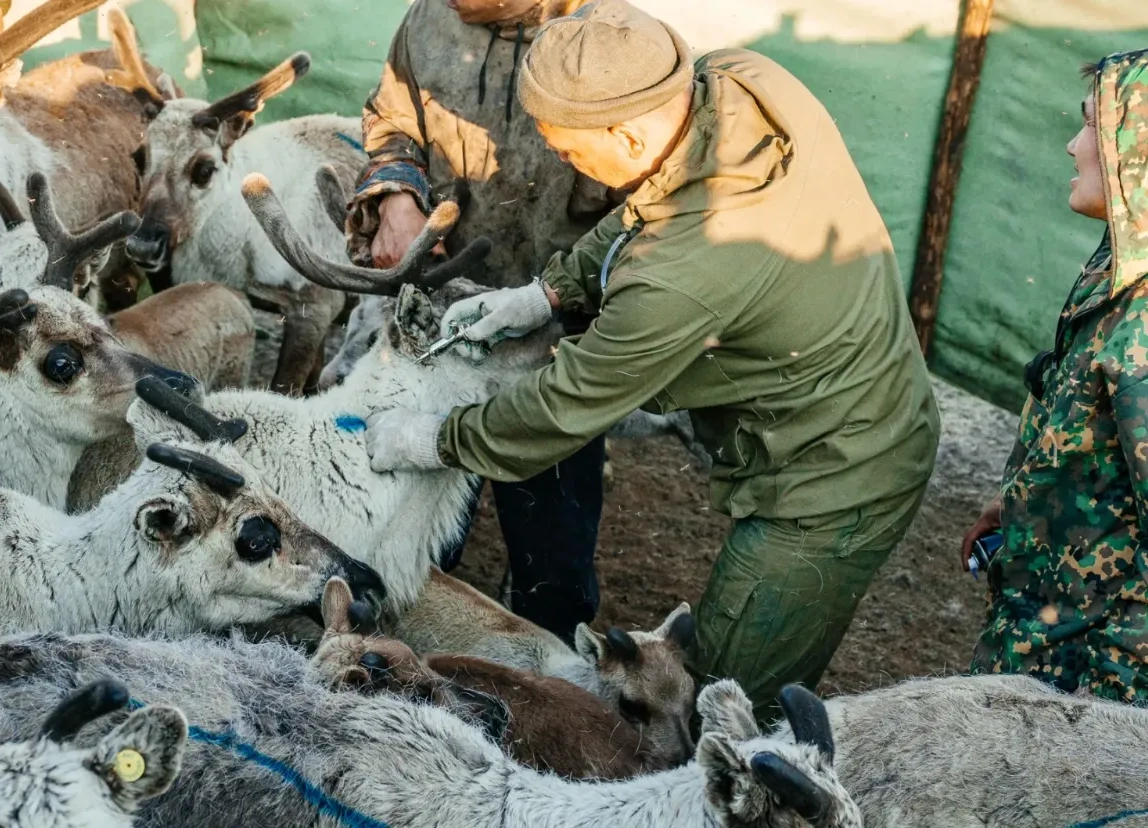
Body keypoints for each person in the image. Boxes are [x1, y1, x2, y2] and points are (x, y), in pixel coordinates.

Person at [363, 0, 939, 712]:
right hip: (839, 396)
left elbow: (564, 405)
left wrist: (435, 438)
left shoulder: (683, 274)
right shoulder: (737, 82)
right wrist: (547, 292)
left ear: (626, 141)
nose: (564, 160)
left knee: (714, 707)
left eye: (569, 150)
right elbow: (650, 202)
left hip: (837, 468)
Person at [349, 0, 617, 643]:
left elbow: (656, 204)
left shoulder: (618, 46)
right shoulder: (428, 20)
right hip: (440, 325)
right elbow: (392, 122)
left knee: (553, 575)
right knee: (410, 544)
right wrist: (395, 195)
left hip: (554, 349)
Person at [968, 49, 1148, 702]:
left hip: (1088, 685)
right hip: (1039, 630)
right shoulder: (1118, 264)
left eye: (1094, 130)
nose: (1073, 148)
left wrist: (1107, 702)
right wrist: (1017, 504)